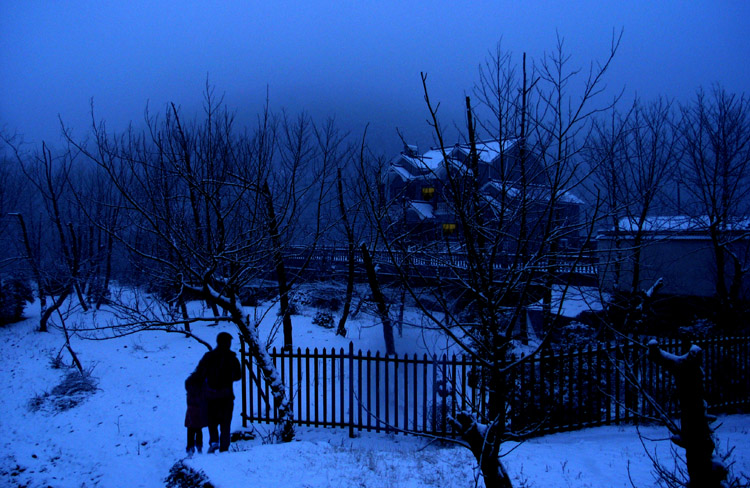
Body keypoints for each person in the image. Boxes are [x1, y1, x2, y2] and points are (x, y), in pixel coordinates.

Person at [195, 331, 242, 453]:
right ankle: (224, 448)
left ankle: (214, 442)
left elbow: (199, 373)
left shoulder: (208, 356)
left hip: (211, 396)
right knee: (225, 424)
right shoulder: (232, 358)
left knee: (212, 422)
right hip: (226, 396)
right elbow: (238, 376)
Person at [184, 370, 208, 457]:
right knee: (198, 430)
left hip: (191, 411)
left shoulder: (190, 387)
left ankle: (190, 448)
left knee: (190, 430)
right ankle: (199, 447)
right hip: (199, 411)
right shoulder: (202, 387)